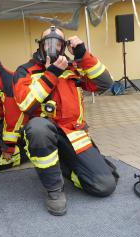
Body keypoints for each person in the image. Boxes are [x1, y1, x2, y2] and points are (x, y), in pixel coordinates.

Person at [12, 26, 116, 215]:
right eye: (48, 41)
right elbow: (26, 103)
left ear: (64, 45)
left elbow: (105, 83)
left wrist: (83, 55)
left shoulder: (74, 68)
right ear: (40, 45)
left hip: (73, 134)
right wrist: (52, 73)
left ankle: (66, 167)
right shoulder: (25, 71)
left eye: (58, 42)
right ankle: (54, 190)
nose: (53, 46)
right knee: (38, 128)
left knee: (104, 185)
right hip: (44, 132)